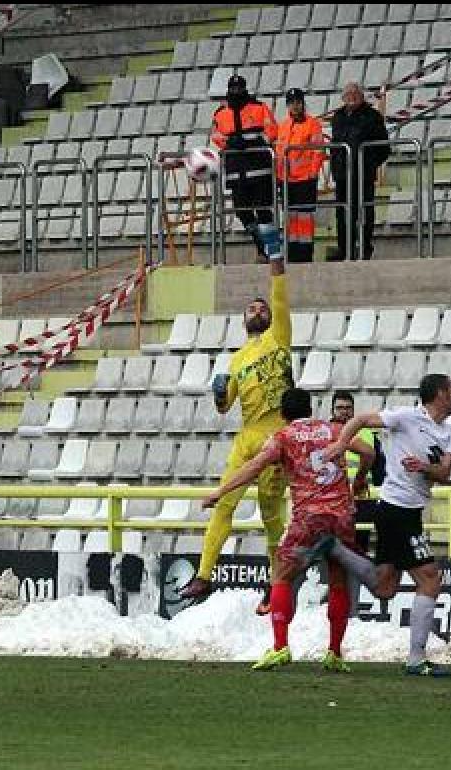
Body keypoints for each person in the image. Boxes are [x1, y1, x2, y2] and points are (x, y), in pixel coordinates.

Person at [201, 388, 375, 672]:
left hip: (308, 520)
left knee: (282, 574)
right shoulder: (333, 429)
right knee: (338, 580)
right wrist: (359, 480)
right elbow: (368, 452)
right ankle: (334, 652)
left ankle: (280, 647)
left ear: (282, 414)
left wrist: (220, 492)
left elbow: (254, 466)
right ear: (311, 408)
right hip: (341, 517)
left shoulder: (283, 437)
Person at [310, 373, 451, 677]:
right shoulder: (406, 417)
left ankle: (335, 550)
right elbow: (363, 420)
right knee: (430, 580)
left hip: (408, 510)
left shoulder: (448, 432)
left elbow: (444, 473)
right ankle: (416, 660)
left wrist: (424, 468)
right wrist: (341, 445)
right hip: (397, 510)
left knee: (385, 588)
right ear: (441, 394)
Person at [180, 246, 291, 607]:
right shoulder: (237, 357)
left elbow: (280, 294)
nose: (258, 311)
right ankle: (203, 575)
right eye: (252, 309)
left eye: (262, 309)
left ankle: (276, 585)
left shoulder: (279, 338)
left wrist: (276, 260)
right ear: (244, 320)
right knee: (224, 502)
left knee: (272, 517)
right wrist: (217, 394)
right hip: (246, 437)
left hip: (276, 438)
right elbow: (225, 404)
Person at [211, 73, 281, 261]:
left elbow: (272, 129)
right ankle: (262, 245)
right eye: (233, 88)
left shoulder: (259, 107)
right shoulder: (220, 113)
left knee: (264, 211)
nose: (236, 91)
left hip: (259, 169)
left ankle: (273, 251)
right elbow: (216, 135)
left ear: (244, 88)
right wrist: (229, 143)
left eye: (239, 88)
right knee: (242, 211)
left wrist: (259, 141)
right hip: (236, 171)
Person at [329, 83, 389, 261]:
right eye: (348, 94)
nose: (351, 96)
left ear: (362, 96)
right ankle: (344, 249)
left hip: (363, 174)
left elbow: (383, 147)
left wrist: (369, 164)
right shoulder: (338, 117)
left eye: (355, 93)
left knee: (364, 212)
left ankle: (364, 248)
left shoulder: (372, 116)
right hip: (342, 174)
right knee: (342, 213)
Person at [275, 87, 326, 263]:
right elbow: (279, 152)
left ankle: (305, 253)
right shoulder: (282, 125)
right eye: (292, 103)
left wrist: (313, 172)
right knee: (290, 216)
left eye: (298, 102)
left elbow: (318, 150)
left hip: (305, 179)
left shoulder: (313, 124)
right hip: (286, 180)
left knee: (304, 218)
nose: (295, 106)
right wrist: (278, 175)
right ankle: (292, 252)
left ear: (303, 104)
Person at [331, 390, 384, 553]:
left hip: (362, 496)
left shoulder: (367, 433)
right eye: (339, 407)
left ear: (353, 410)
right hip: (335, 496)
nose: (344, 411)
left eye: (348, 407)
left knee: (360, 544)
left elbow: (379, 467)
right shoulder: (326, 432)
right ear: (332, 410)